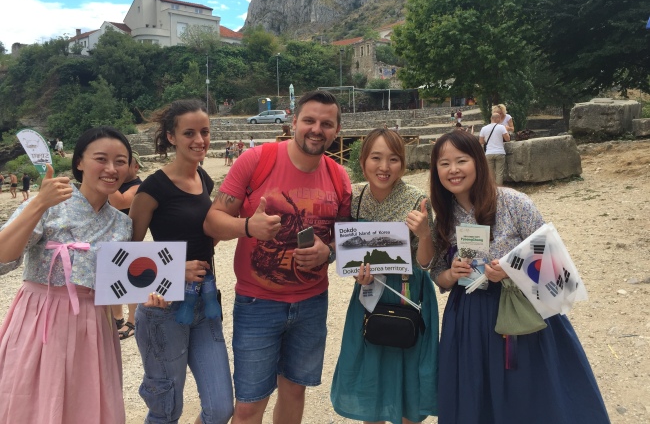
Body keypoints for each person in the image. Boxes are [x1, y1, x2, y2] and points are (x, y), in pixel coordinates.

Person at [428, 129, 610, 424]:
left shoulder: (515, 203)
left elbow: (553, 264)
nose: (453, 170)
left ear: (477, 161)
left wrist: (512, 271)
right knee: (476, 397)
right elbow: (438, 274)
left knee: (527, 395)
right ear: (436, 170)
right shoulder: (444, 215)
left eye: (461, 160)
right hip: (468, 319)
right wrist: (451, 272)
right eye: (444, 164)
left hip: (520, 315)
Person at [204, 90, 352, 424]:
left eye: (326, 124)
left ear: (336, 131)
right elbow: (212, 220)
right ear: (293, 122)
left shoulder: (339, 177)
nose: (317, 129)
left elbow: (346, 241)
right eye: (310, 120)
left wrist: (327, 252)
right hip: (258, 303)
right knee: (248, 405)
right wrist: (247, 226)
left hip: (312, 302)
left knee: (294, 391)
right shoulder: (256, 160)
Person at [0, 126, 134, 423]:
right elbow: (3, 255)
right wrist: (37, 203)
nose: (111, 169)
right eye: (101, 159)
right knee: (34, 402)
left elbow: (122, 284)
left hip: (95, 324)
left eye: (120, 161)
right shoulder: (49, 203)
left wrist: (158, 292)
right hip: (41, 317)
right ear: (79, 163)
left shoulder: (122, 225)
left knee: (87, 404)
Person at [129, 99, 233, 424]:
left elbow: (206, 235)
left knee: (220, 410)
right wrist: (174, 270)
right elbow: (126, 257)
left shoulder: (206, 180)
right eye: (189, 132)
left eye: (204, 131)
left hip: (206, 304)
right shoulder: (152, 189)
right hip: (165, 309)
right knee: (165, 411)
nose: (199, 140)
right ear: (172, 137)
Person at [330, 128, 439, 424]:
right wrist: (358, 277)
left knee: (408, 374)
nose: (384, 167)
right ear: (363, 160)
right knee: (371, 373)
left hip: (409, 291)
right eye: (375, 158)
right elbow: (349, 254)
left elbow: (426, 262)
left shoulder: (417, 200)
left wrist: (425, 234)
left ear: (402, 164)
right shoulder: (354, 199)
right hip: (370, 292)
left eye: (393, 159)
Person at [108, 151, 144, 340]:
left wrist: (105, 181)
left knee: (131, 281)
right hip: (112, 239)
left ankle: (132, 319)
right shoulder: (117, 185)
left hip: (131, 239)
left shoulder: (139, 187)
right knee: (113, 279)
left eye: (124, 163)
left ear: (135, 167)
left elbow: (120, 202)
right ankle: (117, 317)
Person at [479, 112, 510, 186]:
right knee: (499, 172)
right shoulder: (501, 127)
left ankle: (492, 188)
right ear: (498, 118)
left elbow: (481, 141)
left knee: (490, 173)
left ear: (491, 118)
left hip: (489, 152)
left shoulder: (484, 128)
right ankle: (499, 188)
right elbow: (508, 139)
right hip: (500, 152)